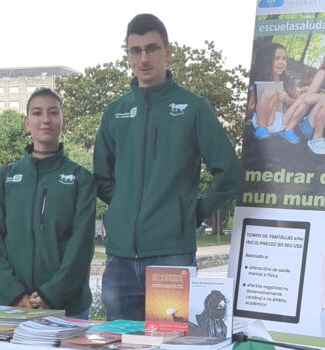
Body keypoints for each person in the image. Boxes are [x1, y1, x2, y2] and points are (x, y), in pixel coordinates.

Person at [93, 13, 241, 321]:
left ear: (168, 51)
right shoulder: (115, 112)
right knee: (121, 342)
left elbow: (229, 172)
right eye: (135, 50)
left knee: (170, 341)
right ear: (128, 55)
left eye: (152, 48)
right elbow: (101, 178)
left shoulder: (192, 107)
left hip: (171, 257)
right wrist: (124, 208)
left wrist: (190, 212)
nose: (143, 58)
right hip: (120, 259)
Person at [0, 88, 95, 319]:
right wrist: (15, 294)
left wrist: (51, 294)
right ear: (27, 123)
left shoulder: (79, 178)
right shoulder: (4, 179)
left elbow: (81, 246)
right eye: (37, 113)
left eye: (53, 113)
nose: (46, 120)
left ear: (64, 122)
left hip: (67, 308)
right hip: (12, 306)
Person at [248, 42, 301, 143]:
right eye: (277, 59)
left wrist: (286, 99)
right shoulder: (258, 80)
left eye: (284, 58)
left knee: (304, 100)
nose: (281, 62)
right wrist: (265, 100)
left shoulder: (288, 81)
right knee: (269, 90)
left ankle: (287, 132)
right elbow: (250, 107)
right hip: (262, 119)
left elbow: (299, 104)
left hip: (282, 121)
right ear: (266, 60)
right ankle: (261, 130)